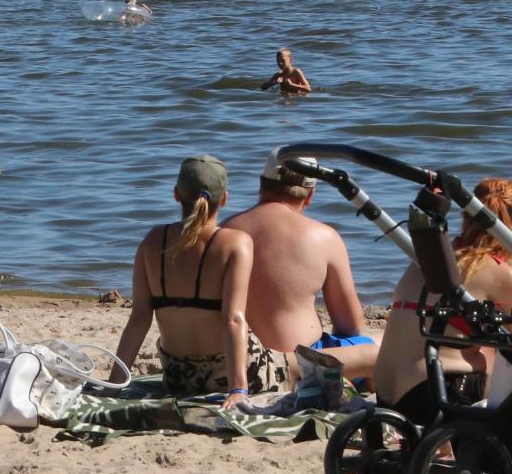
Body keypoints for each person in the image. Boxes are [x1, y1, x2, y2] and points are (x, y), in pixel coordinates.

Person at [371, 177, 512, 425]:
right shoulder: (504, 274)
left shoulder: (430, 259)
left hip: (386, 394)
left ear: (464, 219)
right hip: (434, 396)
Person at [110, 155, 270, 400]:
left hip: (177, 377)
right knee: (296, 364)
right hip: (226, 374)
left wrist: (115, 382)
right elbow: (233, 320)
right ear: (224, 199)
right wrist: (238, 389)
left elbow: (139, 318)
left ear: (176, 194)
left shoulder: (152, 241)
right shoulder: (236, 243)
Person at [221, 153, 375, 385]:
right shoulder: (324, 237)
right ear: (310, 195)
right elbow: (350, 326)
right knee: (382, 346)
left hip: (234, 362)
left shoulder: (224, 232)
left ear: (262, 185)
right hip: (299, 363)